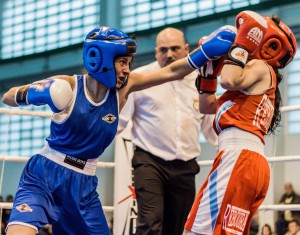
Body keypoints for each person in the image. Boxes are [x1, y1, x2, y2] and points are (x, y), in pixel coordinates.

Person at [2, 25, 236, 235]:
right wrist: (34, 93)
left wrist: (203, 55)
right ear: (99, 58)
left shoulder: (125, 89)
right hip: (45, 174)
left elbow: (171, 72)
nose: (127, 69)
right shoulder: (69, 86)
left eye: (128, 63)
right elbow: (8, 96)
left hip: (84, 184)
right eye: (122, 62)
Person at [184, 10, 297, 235]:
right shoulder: (251, 86)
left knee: (194, 231)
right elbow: (207, 107)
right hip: (248, 161)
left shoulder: (262, 68)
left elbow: (228, 79)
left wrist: (242, 45)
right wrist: (208, 72)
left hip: (238, 159)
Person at [118, 28, 217, 235]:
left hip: (186, 166)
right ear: (156, 52)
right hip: (149, 161)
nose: (169, 54)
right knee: (150, 223)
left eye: (175, 48)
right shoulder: (139, 78)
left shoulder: (201, 81)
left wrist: (232, 148)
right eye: (163, 50)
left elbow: (210, 129)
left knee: (177, 228)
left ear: (187, 49)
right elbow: (119, 122)